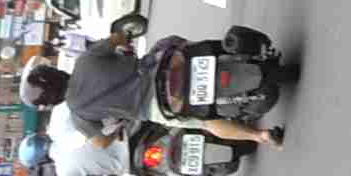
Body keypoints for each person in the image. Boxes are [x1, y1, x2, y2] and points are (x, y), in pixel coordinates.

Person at [63, 30, 281, 150]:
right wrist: (125, 45)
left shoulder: (77, 112)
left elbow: (100, 143)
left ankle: (260, 136)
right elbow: (117, 37)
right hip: (158, 66)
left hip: (157, 107)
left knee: (206, 122)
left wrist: (116, 129)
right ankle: (243, 54)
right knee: (188, 46)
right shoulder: (85, 60)